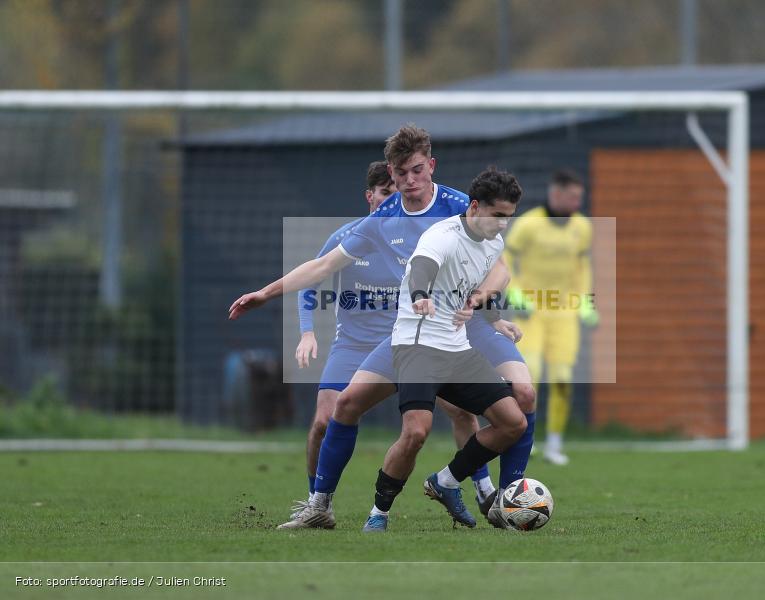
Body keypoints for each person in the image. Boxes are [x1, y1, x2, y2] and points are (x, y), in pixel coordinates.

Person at [229, 125, 536, 529]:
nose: (410, 181)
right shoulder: (383, 219)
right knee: (346, 406)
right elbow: (323, 266)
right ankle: (320, 505)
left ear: (431, 166)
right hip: (411, 334)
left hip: (466, 326)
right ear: (390, 173)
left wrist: (484, 307)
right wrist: (265, 293)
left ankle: (507, 499)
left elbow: (500, 269)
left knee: (523, 393)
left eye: (417, 170)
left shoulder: (462, 206)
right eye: (400, 173)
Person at [290, 161, 494, 518]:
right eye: (385, 192)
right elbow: (312, 279)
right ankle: (317, 503)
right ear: (369, 196)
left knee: (461, 412)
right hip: (353, 346)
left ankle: (484, 490)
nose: (392, 199)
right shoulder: (349, 237)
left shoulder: (417, 241)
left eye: (395, 192)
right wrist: (307, 331)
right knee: (324, 420)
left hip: (408, 342)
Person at [362, 167, 525, 532]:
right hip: (417, 346)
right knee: (416, 433)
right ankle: (378, 513)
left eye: (509, 217)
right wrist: (421, 295)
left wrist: (495, 319)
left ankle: (446, 482)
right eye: (497, 215)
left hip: (456, 349)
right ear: (475, 207)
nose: (503, 224)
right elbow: (422, 267)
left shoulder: (493, 243)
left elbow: (473, 282)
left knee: (513, 422)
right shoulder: (443, 235)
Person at [504, 169, 597, 466]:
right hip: (531, 311)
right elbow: (506, 258)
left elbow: (583, 267)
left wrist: (586, 302)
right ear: (556, 194)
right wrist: (515, 293)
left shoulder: (582, 227)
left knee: (562, 379)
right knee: (529, 375)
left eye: (579, 198)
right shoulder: (528, 224)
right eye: (572, 197)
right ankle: (523, 437)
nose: (576, 203)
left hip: (564, 312)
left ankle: (555, 443)